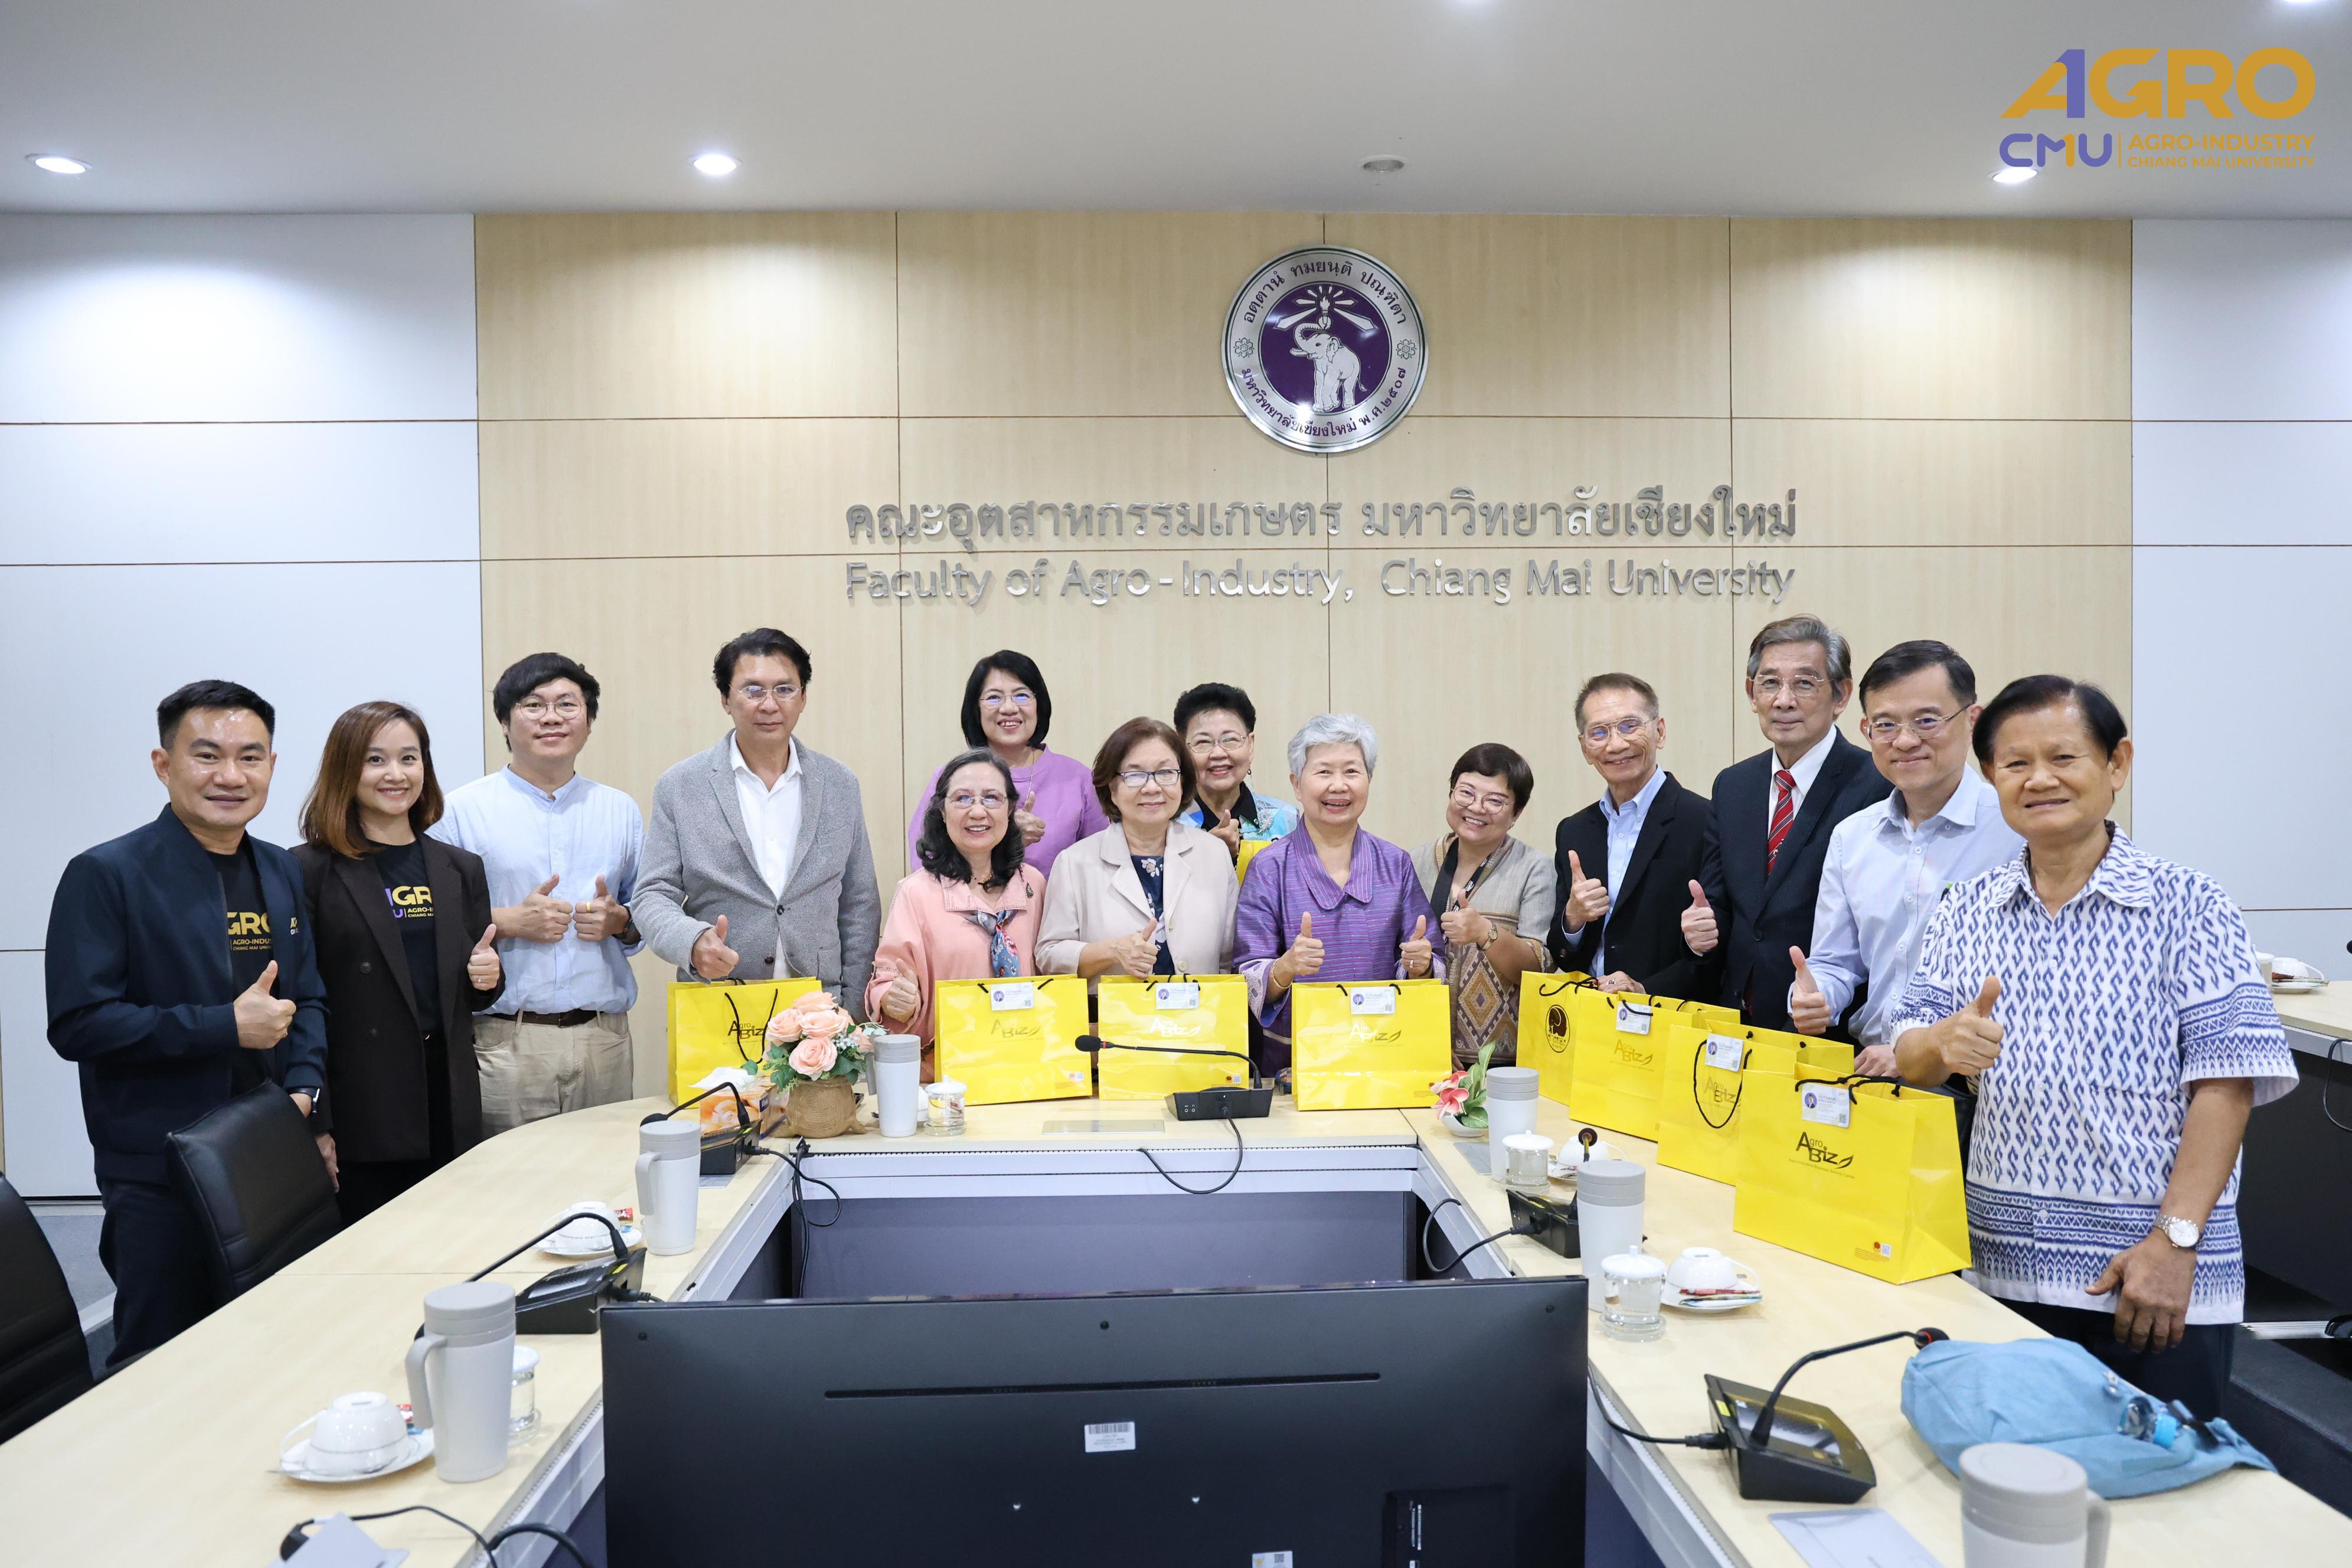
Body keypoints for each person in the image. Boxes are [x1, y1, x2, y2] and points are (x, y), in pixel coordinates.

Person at [1890, 677, 2295, 1420]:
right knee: (2010, 1469)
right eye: (2015, 764)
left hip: (2146, 1279)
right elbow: (1910, 1056)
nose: (2039, 779)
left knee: (2164, 1481)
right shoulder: (1967, 907)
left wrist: (2174, 1243)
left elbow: (2227, 1086)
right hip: (2001, 1272)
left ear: (2117, 764)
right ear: (1991, 777)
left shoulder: (2190, 902)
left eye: (2064, 757)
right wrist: (1941, 1042)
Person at [45, 681, 328, 1365]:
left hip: (267, 1150)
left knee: (272, 1345)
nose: (231, 775)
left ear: (271, 765)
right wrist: (223, 1025)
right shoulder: (106, 873)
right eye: (207, 755)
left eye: (250, 756)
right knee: (161, 1357)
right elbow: (79, 1023)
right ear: (162, 763)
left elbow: (310, 998)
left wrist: (305, 1094)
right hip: (158, 1166)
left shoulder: (280, 868)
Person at [295, 703, 504, 1222]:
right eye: (376, 760)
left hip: (447, 1097)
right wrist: (316, 1121)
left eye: (409, 758)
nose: (396, 774)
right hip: (363, 1105)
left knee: (452, 1237)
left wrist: (487, 979)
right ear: (346, 769)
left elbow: (471, 986)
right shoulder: (307, 870)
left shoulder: (459, 867)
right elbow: (301, 1002)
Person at [430, 653, 643, 1133]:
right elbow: (433, 921)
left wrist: (620, 921)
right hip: (506, 1042)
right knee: (509, 1177)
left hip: (603, 1039)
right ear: (505, 723)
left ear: (588, 721)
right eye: (533, 705)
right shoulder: (459, 812)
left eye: (567, 704)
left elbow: (644, 914)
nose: (551, 717)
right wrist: (507, 921)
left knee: (603, 1173)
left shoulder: (620, 810)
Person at [1790, 642, 2022, 1074]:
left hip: (1977, 1080)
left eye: (1927, 721)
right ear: (1866, 730)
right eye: (1885, 725)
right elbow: (1834, 962)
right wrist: (1815, 996)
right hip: (1870, 1072)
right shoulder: (1852, 837)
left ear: (1973, 720)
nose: (1905, 741)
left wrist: (1916, 1052)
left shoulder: (2016, 831)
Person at [634, 629, 883, 1020]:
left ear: (803, 698)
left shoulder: (839, 784)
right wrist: (691, 941)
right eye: (753, 690)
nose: (770, 704)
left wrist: (853, 1009)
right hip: (720, 1006)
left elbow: (859, 903)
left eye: (784, 689)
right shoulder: (680, 786)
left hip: (820, 1011)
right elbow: (652, 893)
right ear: (725, 699)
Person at [1680, 615, 1891, 1029]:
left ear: (1841, 695)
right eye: (1770, 683)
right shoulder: (1733, 785)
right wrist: (1701, 930)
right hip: (1736, 1021)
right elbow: (1720, 902)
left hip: (1827, 1025)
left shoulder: (1877, 785)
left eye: (1805, 683)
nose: (1784, 700)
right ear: (1751, 693)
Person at [1232, 714, 1438, 1074]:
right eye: (1324, 772)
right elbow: (1247, 974)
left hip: (1384, 1055)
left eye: (1352, 772)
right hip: (1295, 1066)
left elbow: (1430, 958)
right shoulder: (1268, 867)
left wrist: (1422, 967)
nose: (1339, 785)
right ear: (1297, 785)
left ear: (1369, 780)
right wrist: (1286, 967)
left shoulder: (1396, 864)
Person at [868, 749, 1046, 1069]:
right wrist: (894, 999)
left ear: (1010, 810)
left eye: (991, 798)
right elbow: (887, 980)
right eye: (963, 799)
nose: (978, 812)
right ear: (942, 811)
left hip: (1027, 1067)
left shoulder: (1033, 885)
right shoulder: (916, 893)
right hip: (946, 1074)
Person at [1548, 673, 1714, 1000]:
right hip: (1591, 1013)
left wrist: (1644, 990)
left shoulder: (1705, 820)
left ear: (1660, 732)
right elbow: (1564, 955)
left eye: (1629, 726)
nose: (1616, 745)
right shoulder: (1574, 831)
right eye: (1599, 732)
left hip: (1671, 1015)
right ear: (1585, 748)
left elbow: (1718, 950)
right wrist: (1574, 919)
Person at [1037, 718, 1237, 984]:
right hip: (1108, 1011)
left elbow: (1229, 958)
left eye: (1166, 773)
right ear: (1112, 787)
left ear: (1183, 782)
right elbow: (1049, 956)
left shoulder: (1214, 854)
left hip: (1203, 1008)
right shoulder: (1075, 862)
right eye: (1134, 775)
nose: (1152, 787)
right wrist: (1111, 951)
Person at [1410, 744, 1554, 1067]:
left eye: (1495, 801)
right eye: (1466, 793)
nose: (1476, 807)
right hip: (1423, 1053)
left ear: (1516, 814)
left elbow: (1538, 971)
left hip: (1503, 1065)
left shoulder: (1535, 869)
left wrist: (1485, 933)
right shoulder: (1415, 862)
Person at [907, 651, 1106, 877]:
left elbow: (1099, 869)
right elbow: (925, 868)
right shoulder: (950, 779)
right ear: (976, 709)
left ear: (1039, 705)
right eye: (994, 698)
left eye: (1022, 696)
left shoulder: (1078, 779)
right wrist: (1008, 840)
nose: (1009, 708)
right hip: (964, 901)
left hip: (1056, 901)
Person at [1172, 682, 1301, 861]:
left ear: (1251, 745)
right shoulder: (1169, 825)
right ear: (1183, 749)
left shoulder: (1286, 819)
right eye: (1203, 742)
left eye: (1230, 740)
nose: (1218, 753)